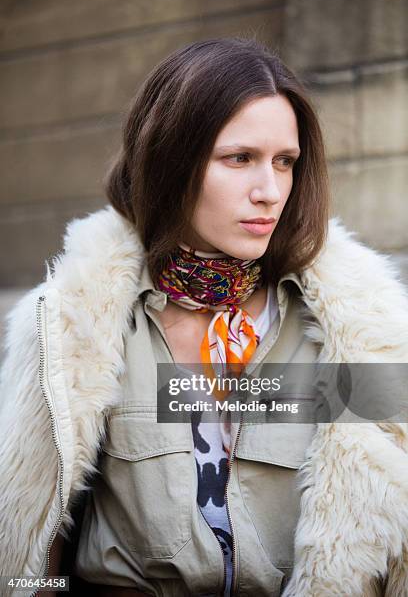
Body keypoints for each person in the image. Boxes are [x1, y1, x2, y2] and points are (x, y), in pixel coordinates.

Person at [1, 37, 408, 597]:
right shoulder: (70, 325)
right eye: (240, 159)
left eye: (285, 162)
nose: (270, 192)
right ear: (171, 161)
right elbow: (22, 556)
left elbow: (398, 554)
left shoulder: (361, 326)